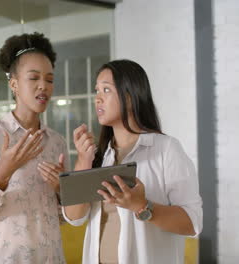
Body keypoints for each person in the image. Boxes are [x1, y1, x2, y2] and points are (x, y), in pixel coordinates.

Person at [41, 59, 203, 264]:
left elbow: (192, 222)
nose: (97, 98)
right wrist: (83, 160)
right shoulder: (102, 156)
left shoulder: (166, 149)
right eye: (96, 90)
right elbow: (75, 218)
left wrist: (142, 206)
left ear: (129, 96)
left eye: (106, 90)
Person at [0, 32, 68, 264]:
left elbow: (62, 218)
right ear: (14, 84)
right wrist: (3, 174)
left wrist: (62, 189)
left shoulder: (57, 142)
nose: (44, 86)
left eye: (49, 80)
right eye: (34, 78)